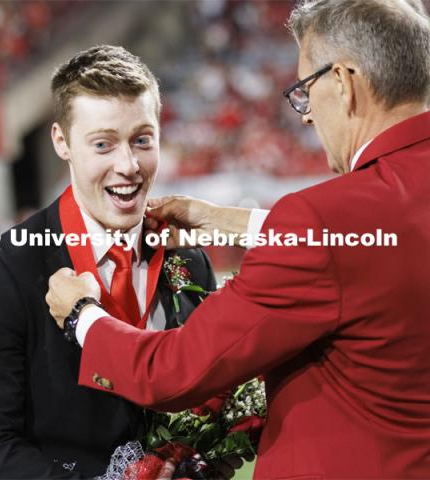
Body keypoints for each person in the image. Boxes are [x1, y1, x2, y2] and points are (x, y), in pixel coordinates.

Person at [46, 1, 430, 478]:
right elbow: (382, 241)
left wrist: (82, 317)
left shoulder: (322, 221)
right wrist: (223, 219)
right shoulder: (362, 216)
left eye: (304, 89)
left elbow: (173, 372)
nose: (306, 116)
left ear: (344, 83)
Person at [0, 45, 216, 478]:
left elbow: (208, 403)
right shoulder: (1, 271)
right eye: (103, 144)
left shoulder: (190, 262)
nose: (127, 165)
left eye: (142, 140)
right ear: (62, 141)